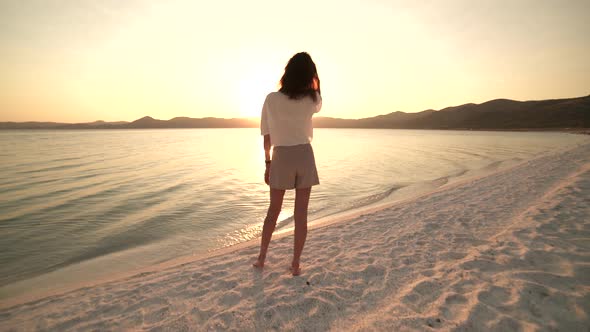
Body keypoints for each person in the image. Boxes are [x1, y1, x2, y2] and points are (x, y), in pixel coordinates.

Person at [253, 52, 322, 276]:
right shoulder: (312, 99)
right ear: (309, 75)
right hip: (304, 154)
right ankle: (295, 264)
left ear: (287, 72)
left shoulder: (271, 99)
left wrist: (267, 163)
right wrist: (316, 80)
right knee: (301, 213)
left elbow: (267, 136)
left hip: (281, 155)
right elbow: (319, 99)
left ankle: (262, 258)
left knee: (273, 211)